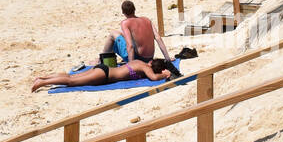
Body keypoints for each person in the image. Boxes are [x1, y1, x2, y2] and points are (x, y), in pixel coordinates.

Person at [31, 56, 177, 91]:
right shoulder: (147, 69)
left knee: (71, 77)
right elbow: (152, 78)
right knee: (71, 81)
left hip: (103, 68)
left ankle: (43, 78)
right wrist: (165, 74)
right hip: (104, 76)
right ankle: (42, 82)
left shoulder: (140, 62)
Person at [102, 0, 175, 66]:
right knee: (119, 33)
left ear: (123, 12)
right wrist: (167, 58)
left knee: (112, 34)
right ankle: (105, 60)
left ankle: (102, 60)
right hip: (149, 58)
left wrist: (132, 66)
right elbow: (158, 38)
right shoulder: (147, 20)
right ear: (134, 9)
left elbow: (130, 46)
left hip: (138, 59)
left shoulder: (125, 23)